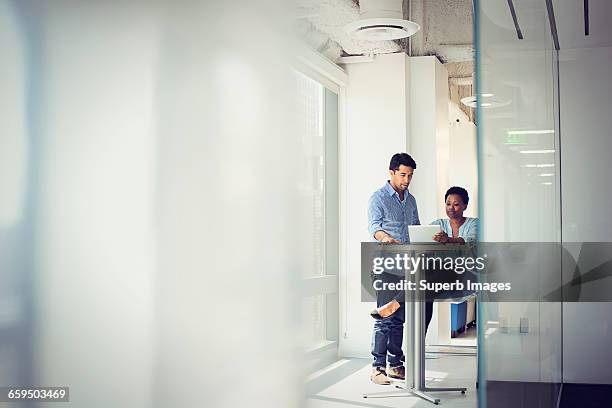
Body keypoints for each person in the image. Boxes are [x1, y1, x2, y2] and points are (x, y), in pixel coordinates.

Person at [367, 153, 433, 385]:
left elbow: (415, 229)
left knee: (399, 319)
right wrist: (384, 237)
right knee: (385, 318)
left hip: (408, 265)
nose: (407, 179)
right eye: (403, 174)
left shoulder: (411, 200)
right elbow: (374, 226)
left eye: (410, 175)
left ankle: (395, 365)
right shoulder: (378, 198)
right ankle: (377, 368)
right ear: (392, 172)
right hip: (386, 265)